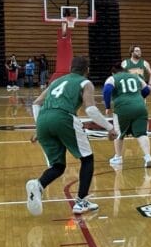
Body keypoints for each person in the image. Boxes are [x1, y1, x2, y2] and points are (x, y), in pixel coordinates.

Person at [25, 55, 117, 216]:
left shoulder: (56, 82)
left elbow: (36, 103)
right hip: (64, 117)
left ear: (70, 68)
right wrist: (110, 127)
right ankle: (81, 201)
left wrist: (39, 127)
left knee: (58, 166)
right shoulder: (85, 83)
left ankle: (38, 185)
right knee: (87, 159)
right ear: (86, 70)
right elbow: (91, 110)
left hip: (43, 119)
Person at [104, 63, 151, 167]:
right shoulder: (135, 77)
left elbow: (107, 90)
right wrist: (139, 98)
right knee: (142, 133)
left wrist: (107, 106)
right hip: (140, 107)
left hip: (123, 108)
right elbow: (146, 90)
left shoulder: (112, 78)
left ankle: (118, 157)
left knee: (119, 133)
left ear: (113, 72)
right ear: (124, 70)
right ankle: (148, 157)